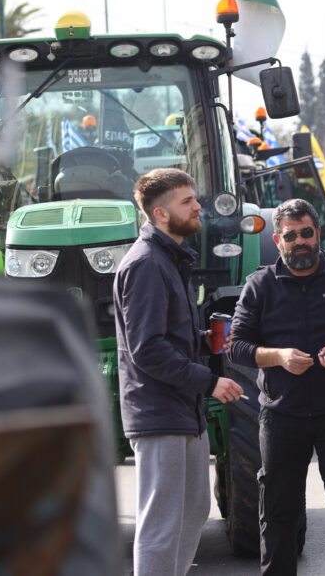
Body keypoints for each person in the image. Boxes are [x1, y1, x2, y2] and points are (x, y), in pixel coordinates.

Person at [227, 198, 325, 576]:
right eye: (290, 236)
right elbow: (235, 347)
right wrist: (278, 356)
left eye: (306, 233)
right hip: (282, 416)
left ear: (318, 233)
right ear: (277, 240)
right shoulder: (259, 285)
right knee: (280, 515)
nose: (299, 242)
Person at [113, 168, 244, 576]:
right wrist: (210, 380)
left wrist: (202, 340)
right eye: (187, 201)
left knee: (193, 509)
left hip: (182, 408)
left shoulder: (170, 258)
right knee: (162, 519)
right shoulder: (147, 264)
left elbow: (163, 336)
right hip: (159, 412)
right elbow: (147, 350)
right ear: (161, 213)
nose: (197, 207)